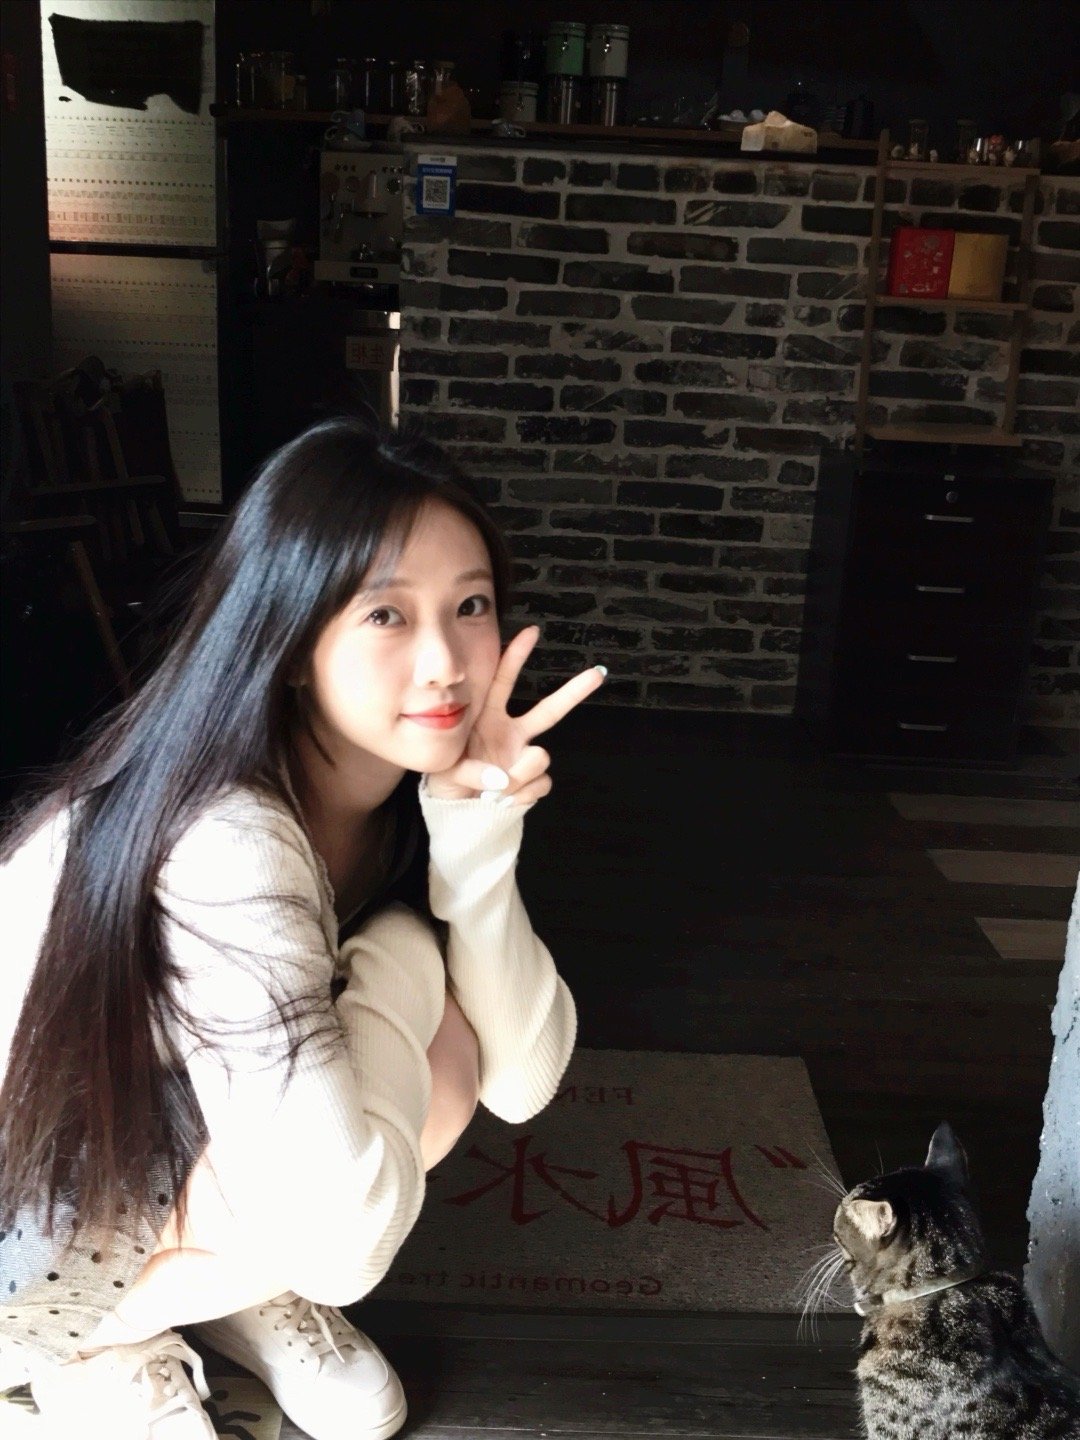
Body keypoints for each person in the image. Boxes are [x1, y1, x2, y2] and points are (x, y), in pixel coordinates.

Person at [0, 419, 604, 1440]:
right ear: (286, 645)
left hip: (146, 1157)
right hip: (28, 1234)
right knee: (426, 1037)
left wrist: (476, 841)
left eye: (470, 606)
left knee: (441, 1036)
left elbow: (524, 1075)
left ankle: (224, 1289)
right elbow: (344, 1245)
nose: (445, 663)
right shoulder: (228, 839)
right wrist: (404, 958)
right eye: (385, 614)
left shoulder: (393, 800)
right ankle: (98, 1344)